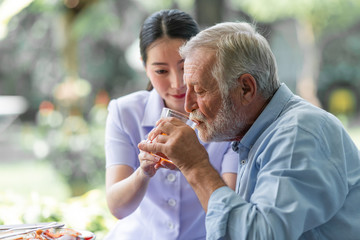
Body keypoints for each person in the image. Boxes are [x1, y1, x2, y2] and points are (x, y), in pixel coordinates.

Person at [138, 21, 360, 240]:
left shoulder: (299, 133)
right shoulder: (255, 134)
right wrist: (189, 167)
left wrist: (195, 166)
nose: (187, 105)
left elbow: (259, 235)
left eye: (200, 90)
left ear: (246, 88)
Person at [104, 10, 238, 240]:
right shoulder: (125, 112)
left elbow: (230, 214)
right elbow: (118, 208)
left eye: (185, 67)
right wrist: (143, 173)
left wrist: (193, 161)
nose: (177, 83)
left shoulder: (229, 117)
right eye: (161, 71)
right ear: (144, 67)